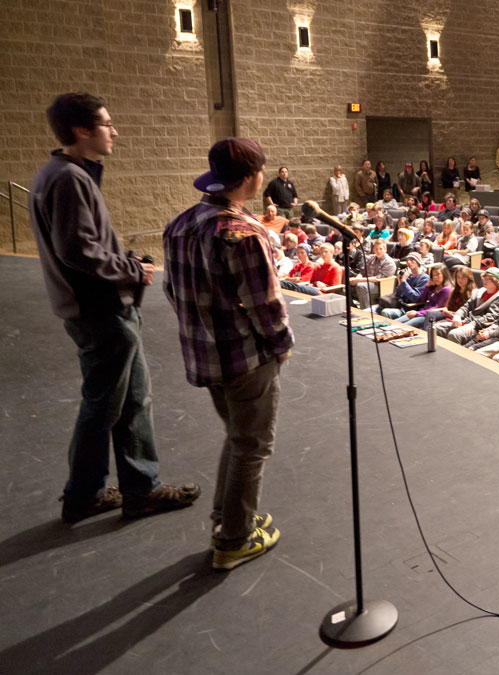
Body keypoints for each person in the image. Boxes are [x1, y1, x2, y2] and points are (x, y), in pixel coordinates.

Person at [29, 92, 200, 524]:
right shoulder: (68, 178)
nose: (114, 130)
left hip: (100, 308)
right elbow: (79, 250)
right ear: (82, 130)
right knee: (104, 405)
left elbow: (82, 245)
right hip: (102, 311)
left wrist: (125, 262)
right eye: (106, 123)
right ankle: (84, 494)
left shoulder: (61, 174)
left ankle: (140, 489)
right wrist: (130, 269)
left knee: (132, 401)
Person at [164, 136, 297, 569]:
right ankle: (235, 540)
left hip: (204, 355)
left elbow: (172, 291)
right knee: (252, 444)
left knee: (238, 438)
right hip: (245, 359)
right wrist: (281, 347)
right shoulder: (242, 234)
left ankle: (228, 517)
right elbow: (266, 306)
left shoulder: (180, 224)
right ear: (251, 177)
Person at [435, 267, 499, 344]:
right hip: (467, 322)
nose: (485, 281)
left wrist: (473, 324)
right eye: (484, 278)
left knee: (454, 334)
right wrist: (458, 316)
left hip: (479, 328)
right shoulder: (480, 292)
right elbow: (466, 307)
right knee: (435, 328)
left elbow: (491, 317)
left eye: (488, 279)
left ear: (496, 282)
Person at [349, 239, 396, 308]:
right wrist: (357, 278)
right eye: (376, 249)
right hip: (367, 281)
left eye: (381, 249)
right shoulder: (371, 258)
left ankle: (365, 310)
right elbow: (362, 272)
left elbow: (377, 278)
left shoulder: (389, 262)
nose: (378, 251)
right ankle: (352, 308)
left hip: (379, 285)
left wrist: (358, 280)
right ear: (373, 250)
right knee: (348, 283)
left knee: (361, 286)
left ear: (385, 249)